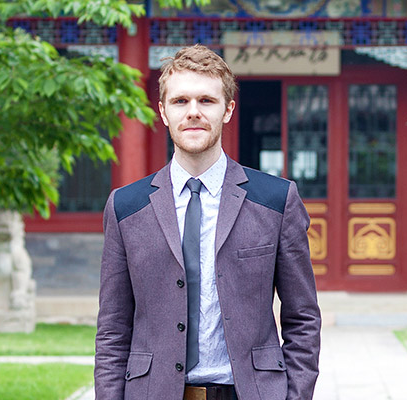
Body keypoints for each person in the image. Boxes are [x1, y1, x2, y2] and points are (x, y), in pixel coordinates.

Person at [94, 45, 321, 400]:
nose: (193, 112)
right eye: (180, 101)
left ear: (227, 110)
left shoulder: (276, 201)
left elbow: (303, 318)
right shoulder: (126, 207)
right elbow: (112, 328)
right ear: (163, 112)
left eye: (206, 101)